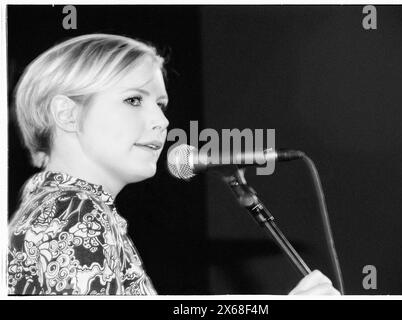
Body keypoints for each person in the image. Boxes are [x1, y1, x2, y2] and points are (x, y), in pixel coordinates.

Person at [8, 33, 340, 295]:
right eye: (134, 99)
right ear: (67, 113)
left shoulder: (66, 210)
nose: (161, 121)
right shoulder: (74, 215)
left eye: (161, 104)